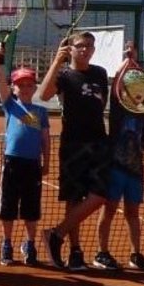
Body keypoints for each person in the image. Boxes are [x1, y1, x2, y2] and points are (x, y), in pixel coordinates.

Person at [40, 31, 110, 270]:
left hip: (99, 142)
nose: (85, 50)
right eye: (80, 46)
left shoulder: (100, 74)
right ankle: (75, 251)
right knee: (74, 197)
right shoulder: (64, 75)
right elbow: (43, 95)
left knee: (100, 194)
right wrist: (56, 62)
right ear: (70, 49)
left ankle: (56, 234)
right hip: (73, 144)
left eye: (89, 46)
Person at [93, 42, 144, 271]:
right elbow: (116, 83)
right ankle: (102, 252)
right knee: (108, 210)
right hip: (115, 168)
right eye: (132, 87)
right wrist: (129, 60)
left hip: (136, 171)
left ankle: (136, 253)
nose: (136, 92)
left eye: (140, 88)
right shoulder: (119, 109)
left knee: (133, 213)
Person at [0, 41, 49, 266]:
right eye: (20, 85)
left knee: (30, 208)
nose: (24, 88)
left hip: (32, 165)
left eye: (28, 85)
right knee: (8, 206)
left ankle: (30, 244)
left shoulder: (41, 112)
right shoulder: (10, 106)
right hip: (12, 163)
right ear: (13, 88)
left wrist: (46, 162)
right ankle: (7, 243)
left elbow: (45, 139)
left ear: (34, 88)